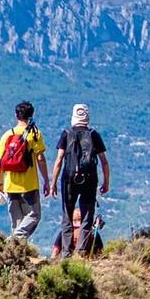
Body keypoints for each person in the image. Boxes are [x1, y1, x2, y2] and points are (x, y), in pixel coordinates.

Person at [51, 103, 111, 257]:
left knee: (67, 215)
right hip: (90, 179)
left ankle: (66, 254)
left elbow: (59, 160)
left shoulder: (66, 133)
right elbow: (104, 161)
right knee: (87, 216)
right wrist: (106, 182)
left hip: (69, 179)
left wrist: (53, 183)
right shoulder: (93, 134)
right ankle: (81, 252)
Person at [0, 101, 51, 244]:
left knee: (17, 221)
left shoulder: (7, 135)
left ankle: (16, 254)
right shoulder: (34, 133)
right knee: (34, 215)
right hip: (29, 185)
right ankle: (13, 240)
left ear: (16, 115)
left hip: (10, 185)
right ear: (31, 115)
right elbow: (40, 158)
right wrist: (46, 180)